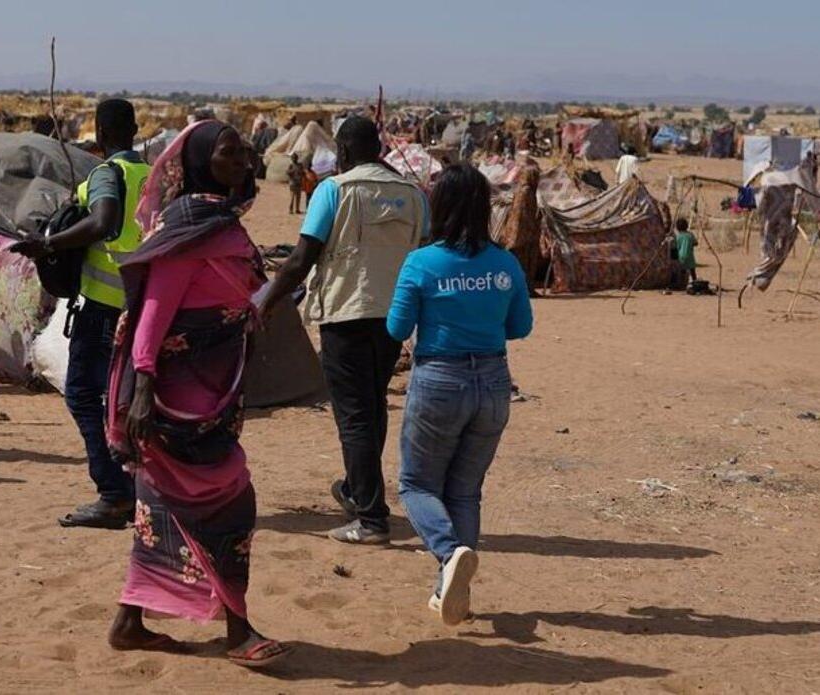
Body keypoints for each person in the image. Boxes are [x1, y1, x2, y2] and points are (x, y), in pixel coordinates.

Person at [103, 120, 289, 667]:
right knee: (230, 502)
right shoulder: (189, 226)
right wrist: (141, 387)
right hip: (172, 399)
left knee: (162, 506)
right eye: (229, 153)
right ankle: (238, 632)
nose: (242, 160)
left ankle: (129, 621)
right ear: (204, 161)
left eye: (243, 152)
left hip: (216, 393)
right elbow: (153, 317)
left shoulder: (221, 221)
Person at [260, 116, 429, 544]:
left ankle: (371, 518)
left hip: (346, 315)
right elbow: (426, 253)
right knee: (371, 408)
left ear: (343, 151)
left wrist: (265, 300)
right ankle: (357, 490)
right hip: (394, 317)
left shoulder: (333, 191)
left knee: (354, 415)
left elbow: (301, 259)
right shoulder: (414, 195)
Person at [387, 163, 533, 625]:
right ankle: (451, 593)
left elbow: (396, 328)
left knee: (415, 485)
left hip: (439, 382)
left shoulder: (422, 262)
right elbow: (521, 327)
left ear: (440, 205)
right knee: (466, 492)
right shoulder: (505, 263)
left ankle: (449, 554)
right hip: (492, 382)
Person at [11, 99, 148, 529]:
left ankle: (113, 494)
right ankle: (144, 489)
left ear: (101, 135)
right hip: (148, 303)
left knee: (84, 396)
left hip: (105, 308)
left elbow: (104, 221)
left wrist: (49, 245)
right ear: (136, 129)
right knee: (130, 400)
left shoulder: (108, 175)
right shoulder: (154, 177)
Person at [674, 217, 698, 284]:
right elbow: (696, 243)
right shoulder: (690, 235)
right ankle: (695, 282)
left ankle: (682, 283)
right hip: (690, 257)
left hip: (681, 257)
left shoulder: (678, 236)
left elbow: (676, 247)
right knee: (692, 270)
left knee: (682, 270)